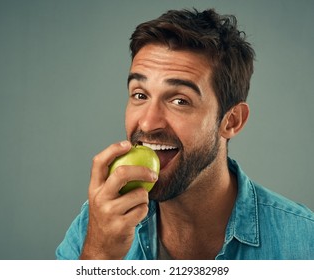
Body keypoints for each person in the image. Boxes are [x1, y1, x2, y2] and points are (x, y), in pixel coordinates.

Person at [56, 8, 314, 260]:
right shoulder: (95, 228)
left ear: (231, 121)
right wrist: (99, 256)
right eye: (140, 95)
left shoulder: (305, 242)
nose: (147, 122)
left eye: (180, 100)